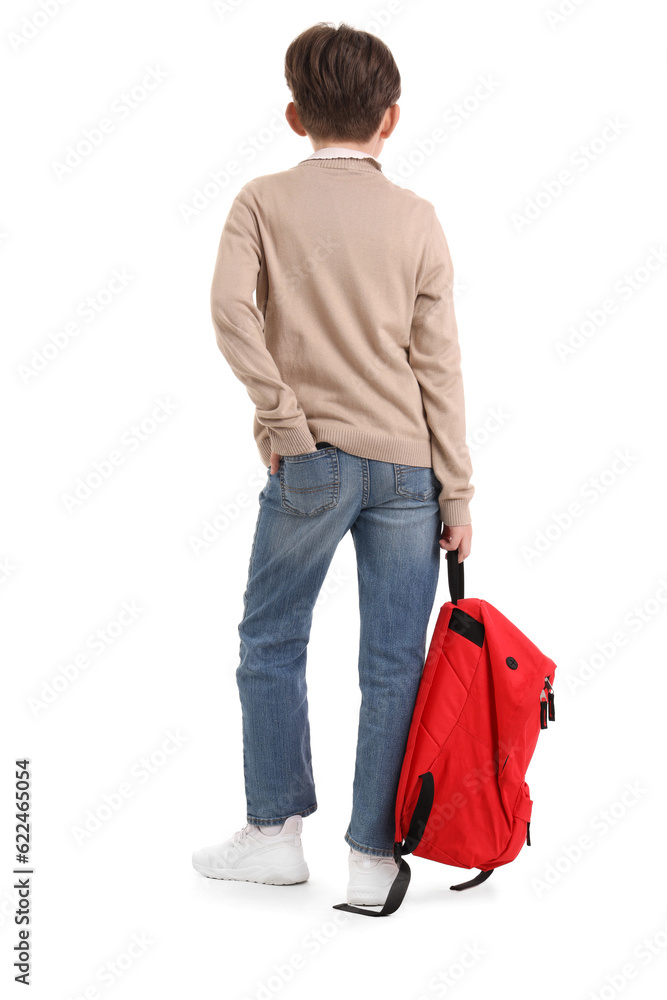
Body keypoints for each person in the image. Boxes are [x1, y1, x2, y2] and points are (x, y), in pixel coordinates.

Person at [192, 20, 474, 909]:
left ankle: (275, 837)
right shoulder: (418, 219)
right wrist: (456, 489)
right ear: (390, 118)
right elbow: (438, 364)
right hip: (408, 470)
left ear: (292, 114)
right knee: (393, 665)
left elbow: (229, 311)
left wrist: (284, 422)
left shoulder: (262, 202)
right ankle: (371, 857)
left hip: (309, 464)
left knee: (271, 640)